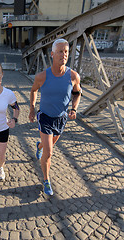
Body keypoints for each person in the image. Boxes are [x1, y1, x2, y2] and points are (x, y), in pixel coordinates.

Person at [29, 38, 82, 196]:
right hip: (45, 117)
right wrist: (32, 108)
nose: (64, 55)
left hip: (61, 119)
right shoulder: (42, 76)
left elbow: (77, 93)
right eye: (60, 51)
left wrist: (74, 108)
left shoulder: (73, 76)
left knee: (47, 145)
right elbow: (33, 91)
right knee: (49, 153)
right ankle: (46, 180)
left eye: (66, 52)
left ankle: (39, 146)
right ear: (52, 54)